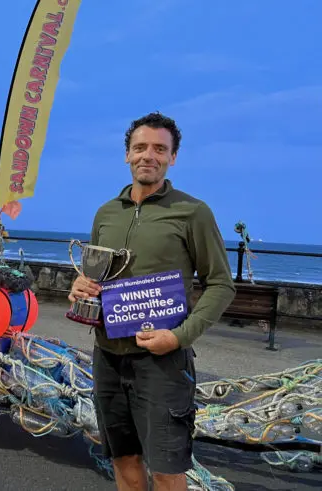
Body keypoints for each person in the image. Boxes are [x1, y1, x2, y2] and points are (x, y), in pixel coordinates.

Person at [68, 112, 235, 491]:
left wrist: (179, 338)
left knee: (166, 469)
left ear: (172, 158)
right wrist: (79, 287)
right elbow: (95, 276)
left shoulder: (193, 212)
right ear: (127, 154)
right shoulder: (106, 213)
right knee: (123, 458)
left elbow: (221, 284)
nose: (149, 155)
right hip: (107, 355)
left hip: (163, 363)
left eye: (160, 149)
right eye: (140, 147)